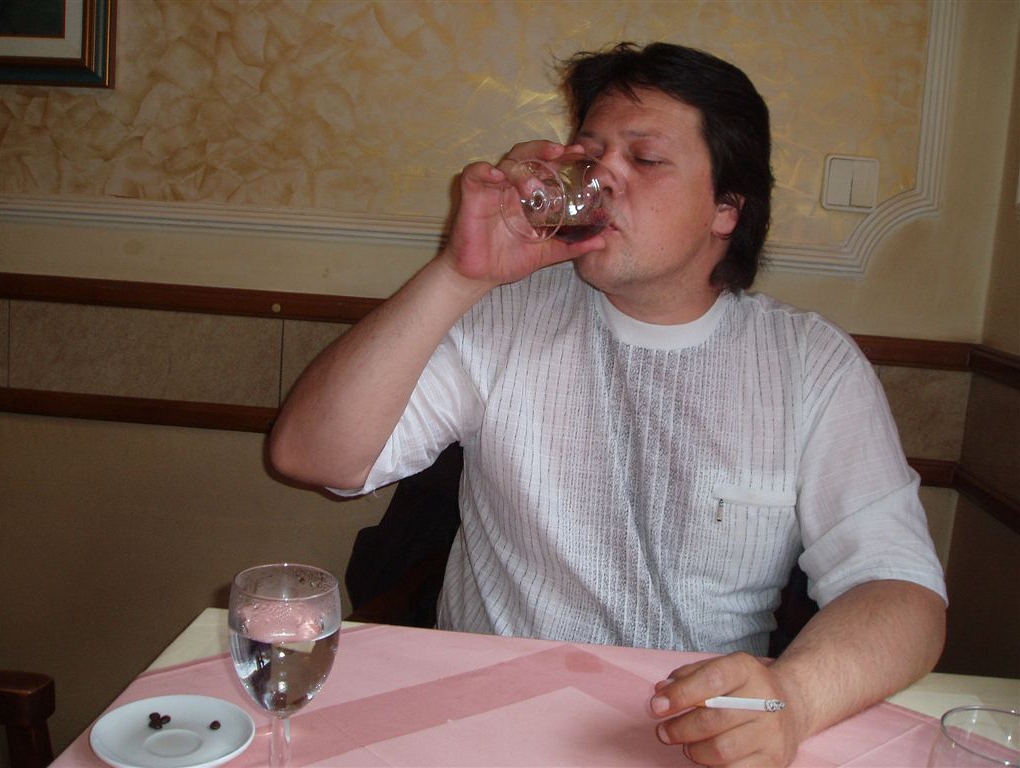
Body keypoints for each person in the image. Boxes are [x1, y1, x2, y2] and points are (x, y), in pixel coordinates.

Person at [270, 42, 947, 767]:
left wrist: (793, 699)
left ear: (726, 208)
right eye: (589, 155)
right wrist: (460, 275)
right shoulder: (502, 317)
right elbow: (313, 457)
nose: (603, 178)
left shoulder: (808, 362)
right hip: (487, 726)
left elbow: (900, 589)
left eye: (645, 158)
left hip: (692, 735)